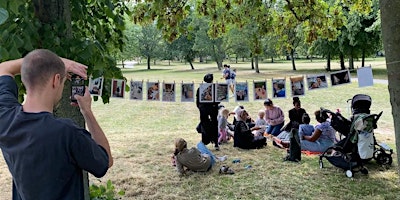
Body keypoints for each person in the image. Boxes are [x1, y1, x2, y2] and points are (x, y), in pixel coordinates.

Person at [0, 49, 112, 199]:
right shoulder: (67, 132)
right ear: (56, 80)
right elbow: (105, 162)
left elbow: (4, 68)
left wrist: (54, 62)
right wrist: (87, 112)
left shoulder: (5, 117)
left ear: (25, 77)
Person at [196, 73, 220, 150]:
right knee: (214, 125)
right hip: (212, 109)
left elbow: (198, 100)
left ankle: (205, 142)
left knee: (204, 125)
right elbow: (218, 100)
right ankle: (215, 143)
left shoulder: (200, 88)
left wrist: (200, 107)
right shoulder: (215, 88)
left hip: (204, 109)